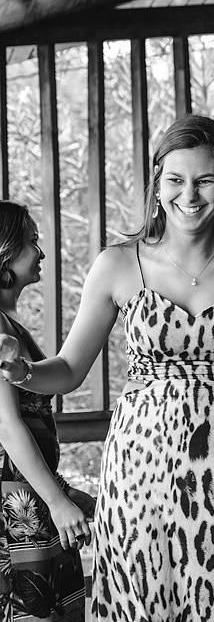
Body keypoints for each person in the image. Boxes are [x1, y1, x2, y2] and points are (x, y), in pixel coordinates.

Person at [0, 115, 214, 620]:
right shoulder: (117, 264)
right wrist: (23, 370)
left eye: (205, 180)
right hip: (138, 481)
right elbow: (69, 369)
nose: (190, 195)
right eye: (176, 180)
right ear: (157, 185)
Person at [0, 202, 88, 622]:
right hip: (19, 509)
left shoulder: (10, 324)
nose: (41, 252)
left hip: (31, 497)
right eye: (32, 241)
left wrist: (61, 492)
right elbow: (6, 426)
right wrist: (56, 501)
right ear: (4, 252)